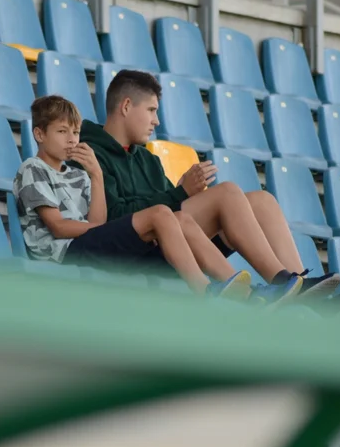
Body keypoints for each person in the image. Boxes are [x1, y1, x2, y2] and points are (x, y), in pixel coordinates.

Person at [78, 69, 340, 311]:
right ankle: (281, 282)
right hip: (135, 254)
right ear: (126, 106)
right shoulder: (90, 152)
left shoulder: (148, 159)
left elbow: (169, 207)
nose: (156, 121)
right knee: (227, 192)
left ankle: (303, 290)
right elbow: (114, 220)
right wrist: (180, 194)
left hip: (175, 244)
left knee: (262, 201)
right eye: (151, 110)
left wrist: (184, 194)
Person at [13, 95, 254, 299]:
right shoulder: (33, 168)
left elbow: (98, 219)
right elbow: (58, 227)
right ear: (39, 134)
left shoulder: (78, 174)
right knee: (160, 213)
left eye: (75, 132)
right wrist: (105, 230)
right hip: (62, 253)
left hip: (87, 242)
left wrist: (96, 175)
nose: (71, 140)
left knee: (179, 217)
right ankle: (205, 291)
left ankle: (239, 288)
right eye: (62, 132)